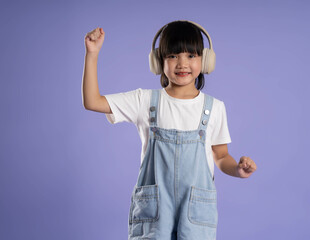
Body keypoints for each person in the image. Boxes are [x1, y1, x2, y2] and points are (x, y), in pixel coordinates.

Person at [82, 20, 257, 240]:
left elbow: (221, 156)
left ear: (205, 61)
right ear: (158, 62)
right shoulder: (144, 101)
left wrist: (238, 171)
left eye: (191, 56)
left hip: (196, 214)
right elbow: (92, 101)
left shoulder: (214, 108)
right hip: (155, 214)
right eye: (173, 56)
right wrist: (92, 53)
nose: (182, 63)